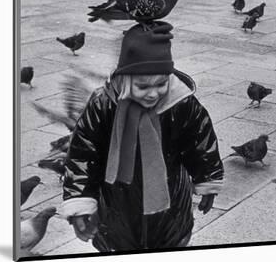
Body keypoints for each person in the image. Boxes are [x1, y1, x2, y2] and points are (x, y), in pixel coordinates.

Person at [60, 22, 224, 251]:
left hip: (171, 204)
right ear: (125, 78)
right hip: (117, 205)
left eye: (161, 84)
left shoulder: (181, 103)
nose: (153, 93)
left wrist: (207, 179)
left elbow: (199, 141)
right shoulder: (104, 105)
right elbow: (84, 152)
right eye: (143, 86)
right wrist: (80, 201)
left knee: (170, 243)